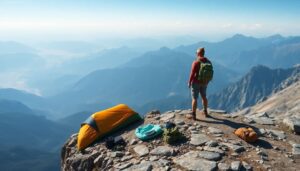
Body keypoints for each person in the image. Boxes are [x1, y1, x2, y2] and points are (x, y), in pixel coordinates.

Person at [187, 47, 213, 120]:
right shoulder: (208, 62)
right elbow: (210, 73)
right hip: (204, 82)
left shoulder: (196, 62)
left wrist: (189, 82)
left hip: (196, 82)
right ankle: (205, 112)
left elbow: (192, 74)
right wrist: (207, 81)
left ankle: (194, 115)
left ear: (198, 53)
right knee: (204, 97)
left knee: (194, 98)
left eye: (196, 53)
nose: (196, 54)